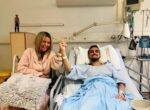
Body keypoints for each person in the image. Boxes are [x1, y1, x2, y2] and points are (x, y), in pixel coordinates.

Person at [59, 40, 133, 110]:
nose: (94, 52)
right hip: (91, 91)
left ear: (100, 54)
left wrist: (121, 93)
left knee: (121, 106)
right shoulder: (85, 67)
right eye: (91, 51)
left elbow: (120, 81)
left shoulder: (109, 66)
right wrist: (63, 52)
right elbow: (69, 69)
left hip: (109, 90)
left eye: (96, 51)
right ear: (88, 55)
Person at [9, 31, 62, 110]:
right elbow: (20, 68)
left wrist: (60, 52)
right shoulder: (28, 52)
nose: (46, 44)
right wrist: (39, 74)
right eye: (44, 41)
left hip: (42, 83)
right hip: (27, 80)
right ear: (38, 41)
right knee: (13, 98)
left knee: (38, 102)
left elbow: (56, 66)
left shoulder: (51, 54)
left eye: (48, 42)